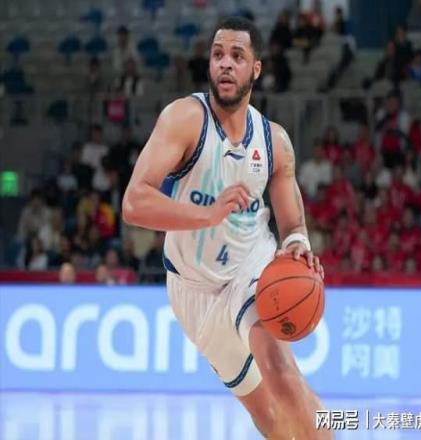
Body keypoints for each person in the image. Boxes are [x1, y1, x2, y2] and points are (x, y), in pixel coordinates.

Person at [122, 16, 330, 440]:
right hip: (192, 290)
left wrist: (297, 242)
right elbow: (134, 203)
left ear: (256, 68)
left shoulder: (274, 141)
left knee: (281, 372)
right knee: (267, 416)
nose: (225, 64)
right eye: (218, 55)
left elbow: (292, 221)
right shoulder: (184, 118)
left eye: (237, 56)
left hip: (250, 268)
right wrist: (207, 214)